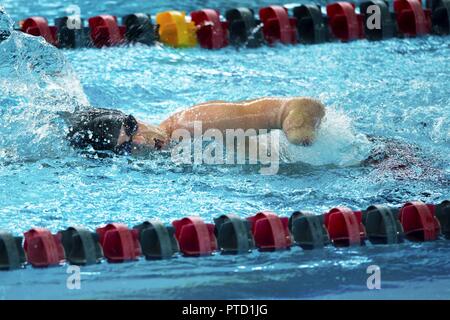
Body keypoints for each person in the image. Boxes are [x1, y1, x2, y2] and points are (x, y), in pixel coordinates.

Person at [66, 97, 326, 155]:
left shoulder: (194, 124)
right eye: (126, 148)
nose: (141, 142)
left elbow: (302, 105)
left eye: (132, 127)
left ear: (136, 118)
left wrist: (298, 132)